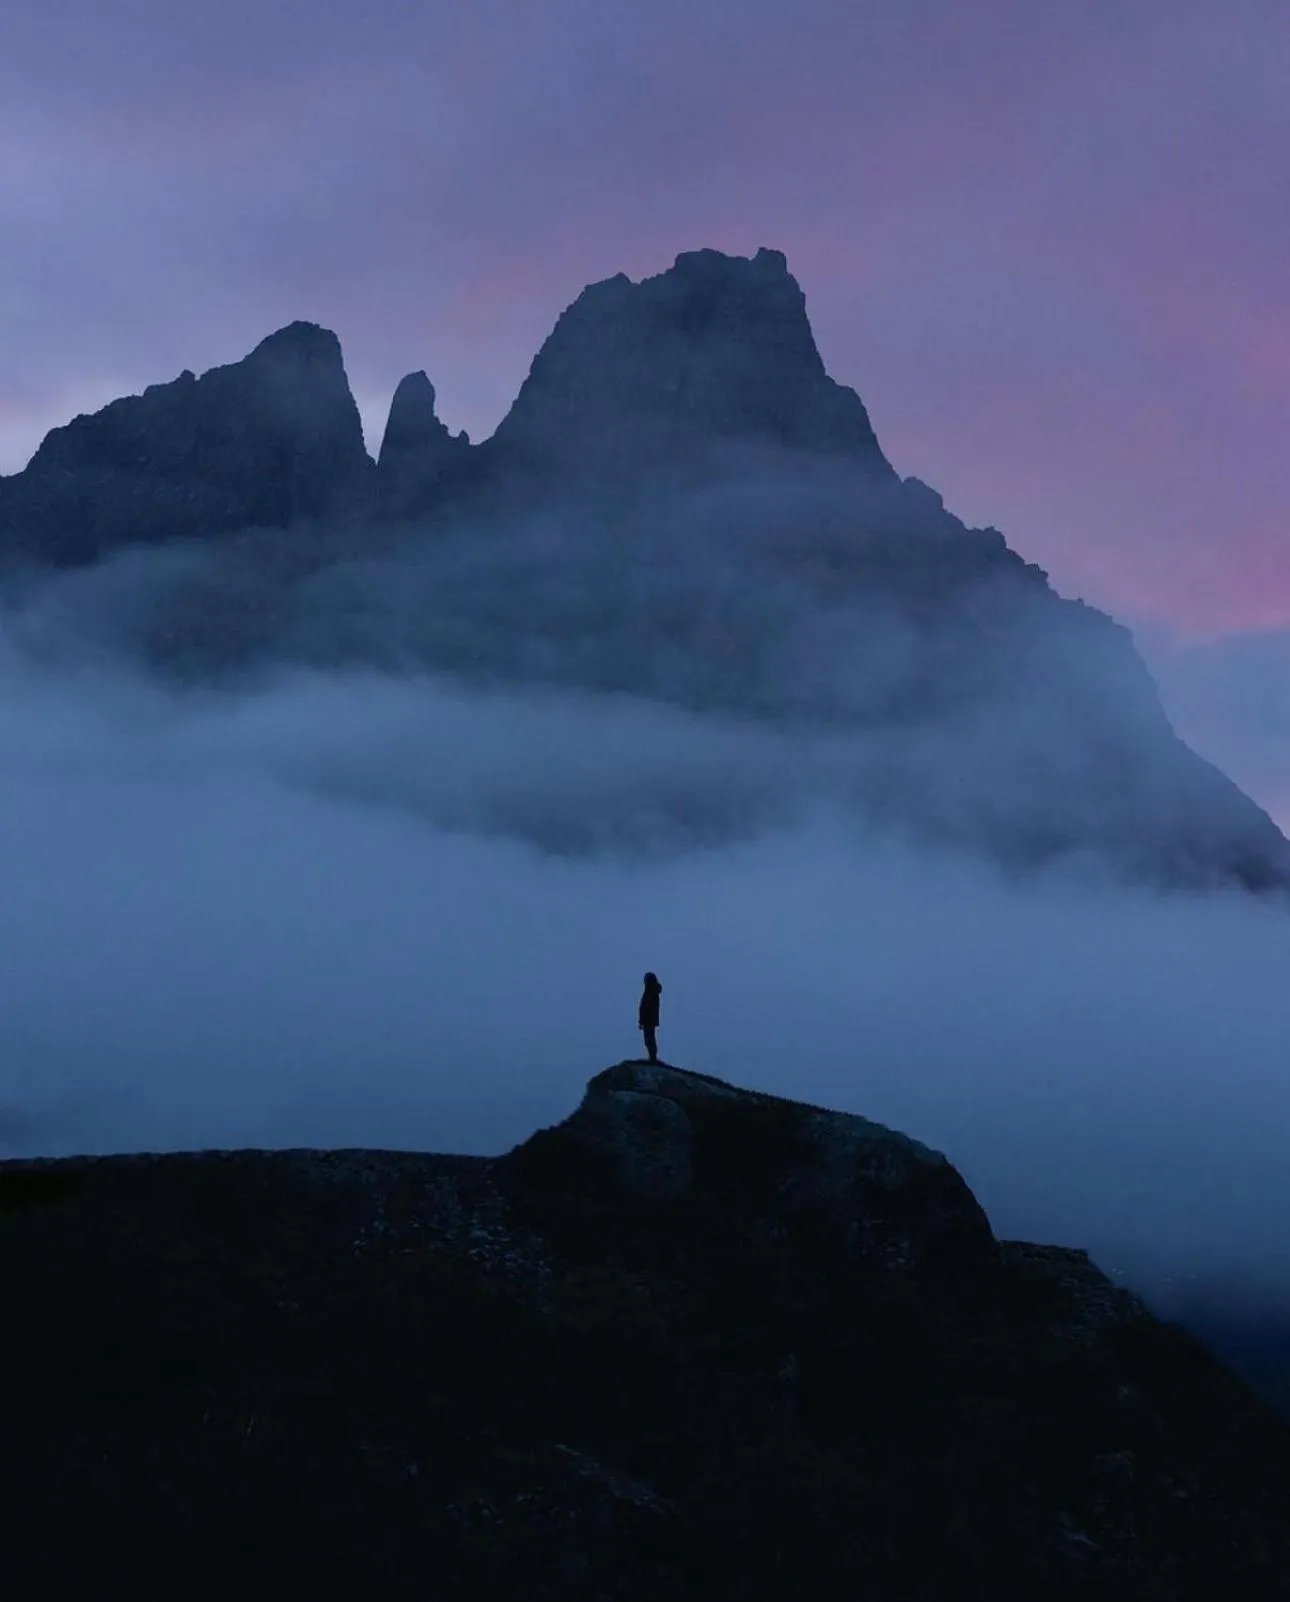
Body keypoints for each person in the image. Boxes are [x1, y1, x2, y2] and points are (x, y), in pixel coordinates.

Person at [638, 971, 662, 1064]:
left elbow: (646, 1008)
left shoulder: (650, 992)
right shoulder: (651, 992)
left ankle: (653, 1057)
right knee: (649, 1039)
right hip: (649, 1020)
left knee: (649, 1039)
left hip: (648, 1020)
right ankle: (652, 1057)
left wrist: (642, 1020)